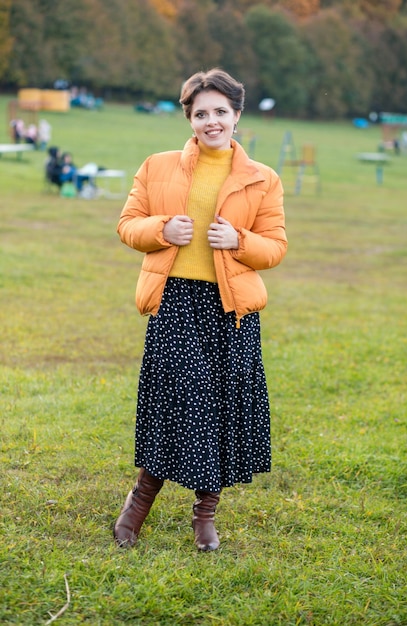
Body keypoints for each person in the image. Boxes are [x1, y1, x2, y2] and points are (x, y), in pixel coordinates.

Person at [114, 68, 287, 552]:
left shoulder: (263, 179)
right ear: (190, 119)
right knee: (178, 404)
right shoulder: (158, 166)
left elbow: (275, 248)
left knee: (220, 409)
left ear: (237, 116)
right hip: (176, 303)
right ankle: (138, 503)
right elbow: (128, 225)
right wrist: (161, 230)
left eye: (220, 112)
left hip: (231, 311)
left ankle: (205, 515)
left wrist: (240, 240)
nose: (212, 121)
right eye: (201, 113)